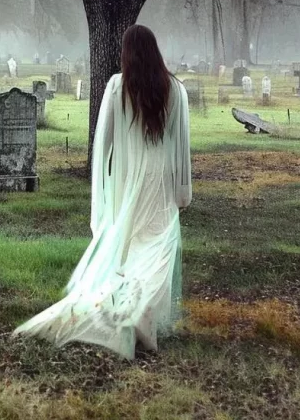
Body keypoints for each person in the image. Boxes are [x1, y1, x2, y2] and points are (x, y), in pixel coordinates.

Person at [13, 24, 192, 359]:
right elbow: (182, 146)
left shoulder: (116, 87)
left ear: (126, 54)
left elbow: (103, 146)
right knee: (156, 252)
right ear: (156, 52)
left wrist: (102, 200)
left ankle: (130, 315)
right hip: (162, 182)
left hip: (126, 180)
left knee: (129, 248)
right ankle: (140, 318)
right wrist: (184, 192)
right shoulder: (175, 90)